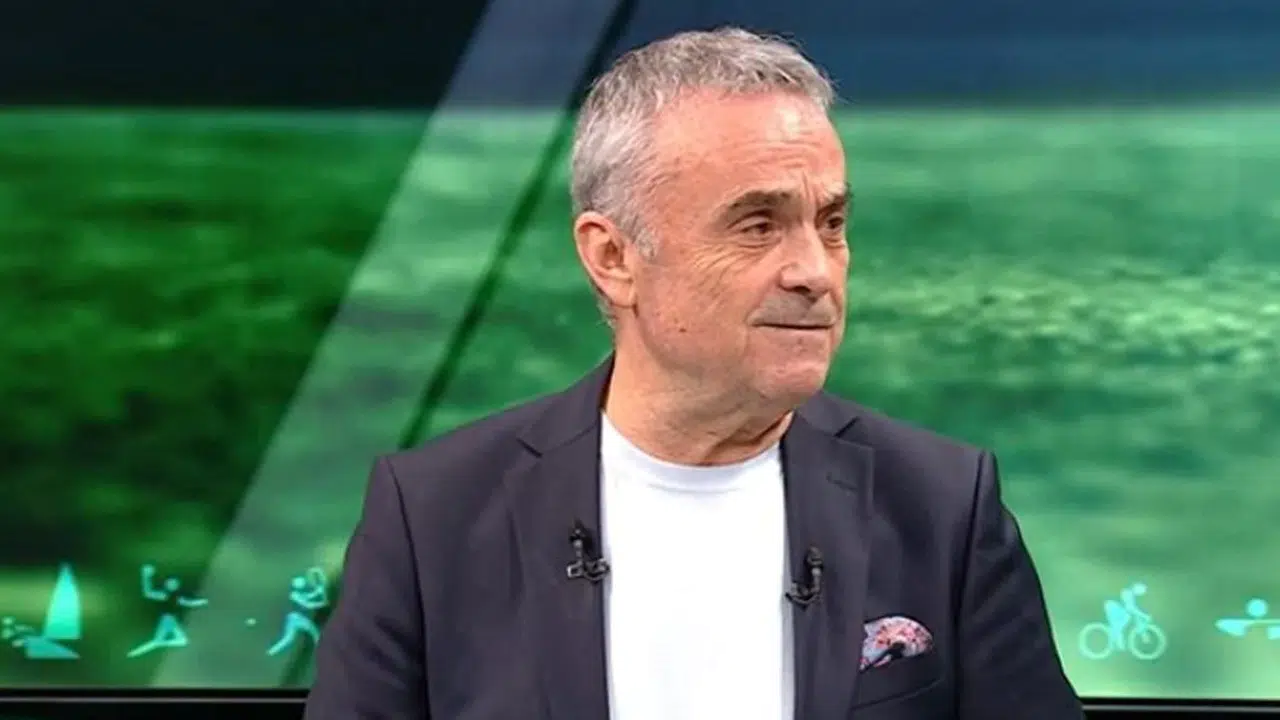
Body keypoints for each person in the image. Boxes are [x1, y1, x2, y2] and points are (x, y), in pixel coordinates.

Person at [305, 27, 1083, 720]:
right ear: (613, 257)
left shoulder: (943, 509)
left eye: (831, 223)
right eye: (758, 225)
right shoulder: (433, 518)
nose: (815, 271)